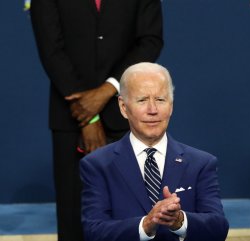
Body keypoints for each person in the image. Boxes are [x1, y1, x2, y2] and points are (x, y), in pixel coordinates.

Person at [30, 0, 163, 240]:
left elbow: (150, 40)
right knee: (74, 221)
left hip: (125, 114)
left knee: (131, 219)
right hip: (70, 118)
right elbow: (51, 48)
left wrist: (109, 88)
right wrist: (89, 117)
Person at [80, 63, 229, 241]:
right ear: (123, 107)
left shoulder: (201, 163)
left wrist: (179, 221)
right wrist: (145, 225)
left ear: (171, 106)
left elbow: (218, 228)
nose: (153, 110)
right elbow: (94, 232)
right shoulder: (98, 165)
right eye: (142, 100)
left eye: (160, 100)